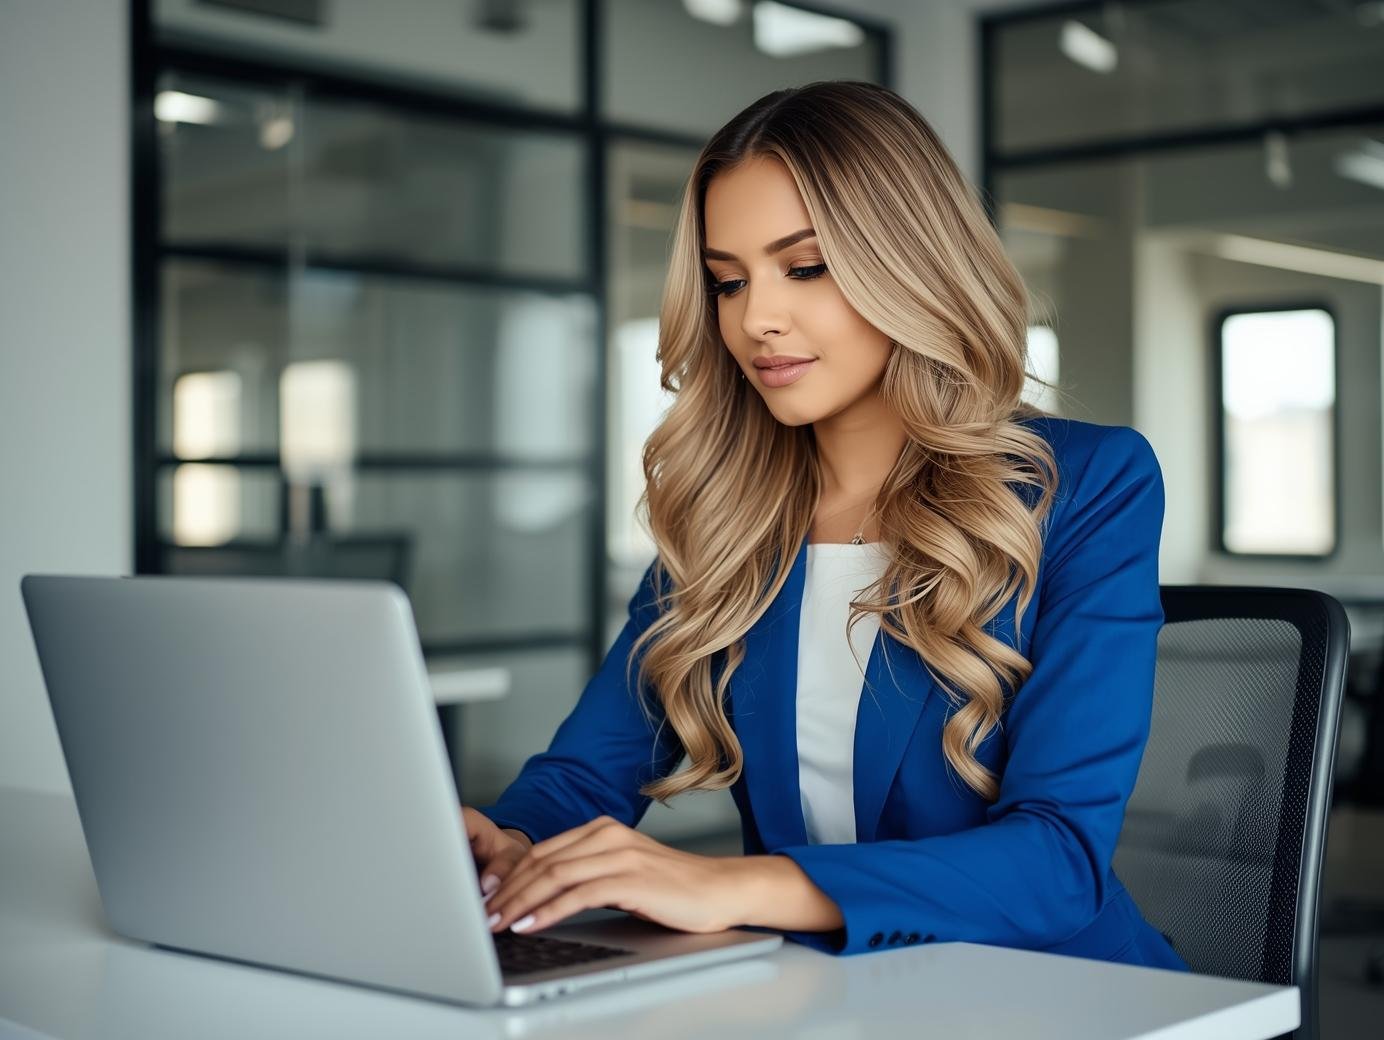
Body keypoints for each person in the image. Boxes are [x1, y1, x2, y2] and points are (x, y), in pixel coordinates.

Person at [462, 80, 1187, 970]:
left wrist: (723, 885)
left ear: (908, 261)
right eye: (728, 282)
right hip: (829, 993)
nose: (757, 319)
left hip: (1060, 992)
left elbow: (1057, 862)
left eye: (804, 267)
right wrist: (503, 840)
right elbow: (585, 776)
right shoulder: (731, 515)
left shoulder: (1085, 483)